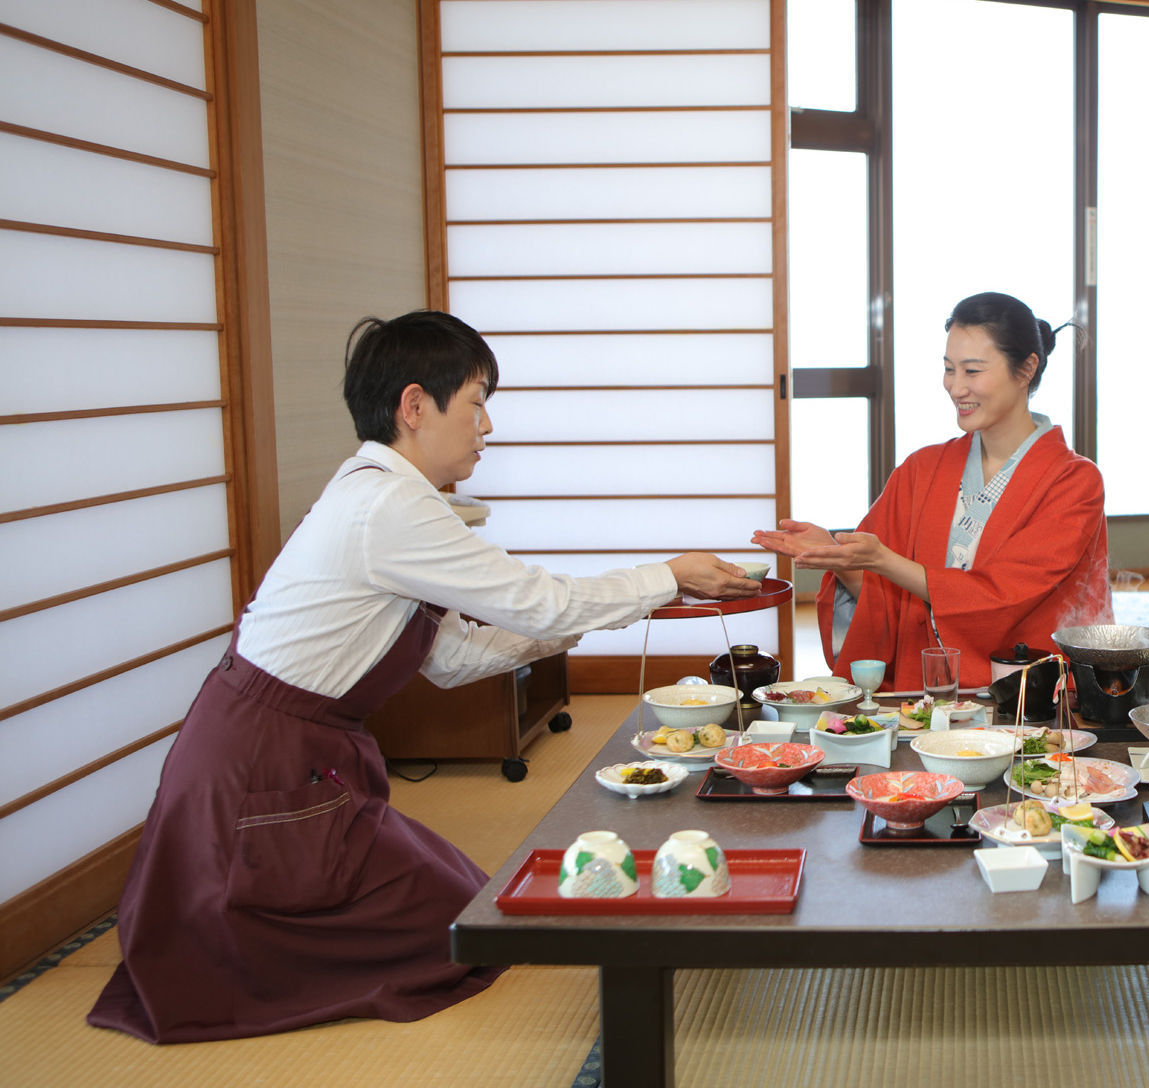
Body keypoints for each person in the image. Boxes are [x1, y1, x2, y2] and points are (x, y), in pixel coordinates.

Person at [87, 310, 760, 1043]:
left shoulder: (383, 494)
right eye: (476, 402)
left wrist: (612, 610)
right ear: (414, 406)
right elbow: (535, 598)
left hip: (290, 752)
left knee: (472, 904)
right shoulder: (390, 504)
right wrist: (665, 576)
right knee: (463, 931)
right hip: (260, 762)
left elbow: (452, 658)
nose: (487, 426)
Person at [754, 292, 1112, 692]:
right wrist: (842, 561)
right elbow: (884, 604)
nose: (956, 387)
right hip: (920, 700)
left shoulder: (1073, 482)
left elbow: (1004, 598)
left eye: (972, 371)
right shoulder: (921, 470)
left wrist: (884, 561)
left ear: (1027, 368)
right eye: (948, 369)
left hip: (1022, 701)